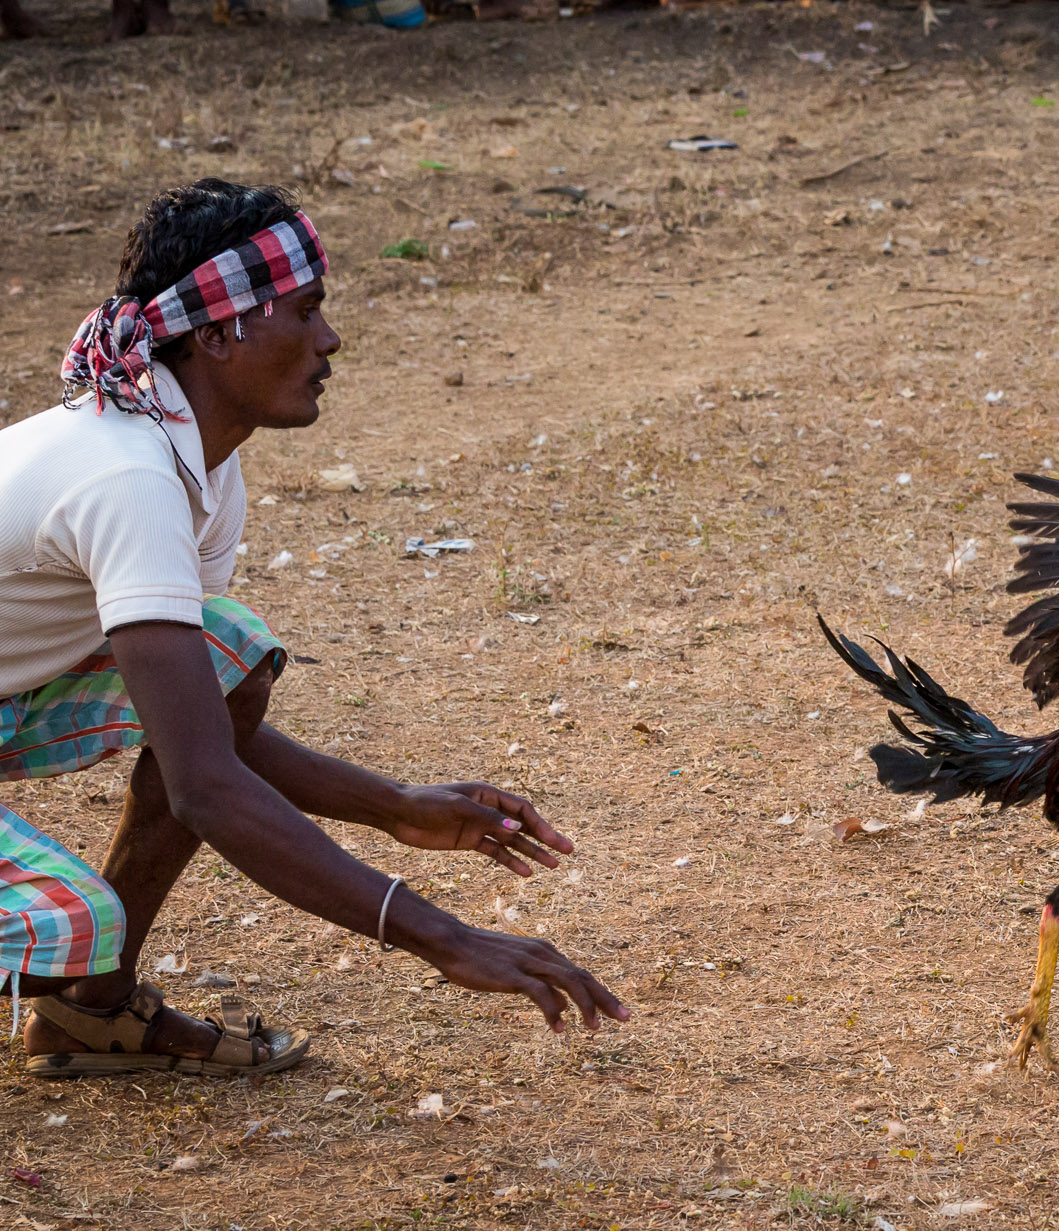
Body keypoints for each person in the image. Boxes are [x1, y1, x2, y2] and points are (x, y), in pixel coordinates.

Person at [0, 179, 626, 1078]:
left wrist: (398, 807)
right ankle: (80, 981)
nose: (330, 340)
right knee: (67, 923)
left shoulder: (194, 461)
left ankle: (86, 1019)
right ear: (216, 335)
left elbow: (202, 730)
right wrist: (441, 937)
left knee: (230, 654)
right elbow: (204, 788)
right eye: (305, 311)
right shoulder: (128, 475)